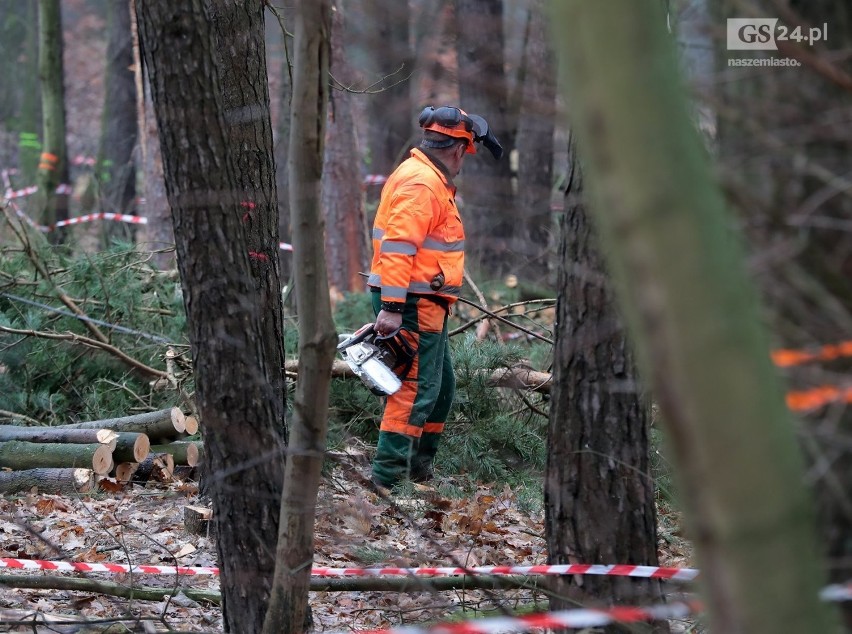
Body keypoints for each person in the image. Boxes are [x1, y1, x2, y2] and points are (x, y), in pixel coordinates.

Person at [367, 105, 503, 490]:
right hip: (409, 302)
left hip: (422, 301)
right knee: (414, 389)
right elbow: (397, 247)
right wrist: (392, 308)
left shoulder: (426, 179)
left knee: (440, 387)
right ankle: (389, 479)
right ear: (459, 149)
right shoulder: (422, 184)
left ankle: (418, 470)